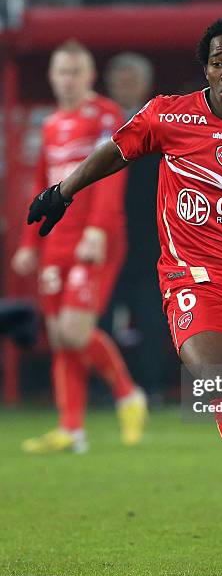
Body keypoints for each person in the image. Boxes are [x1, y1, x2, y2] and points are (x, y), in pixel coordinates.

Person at [26, 17, 222, 574]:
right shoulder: (166, 115)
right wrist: (64, 190)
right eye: (218, 61)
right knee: (216, 381)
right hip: (193, 280)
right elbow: (117, 150)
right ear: (206, 67)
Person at [12, 40, 148, 453]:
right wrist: (29, 240)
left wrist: (99, 229)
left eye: (75, 72)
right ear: (52, 76)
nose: (67, 80)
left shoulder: (105, 114)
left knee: (75, 330)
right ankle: (72, 429)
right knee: (58, 336)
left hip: (95, 235)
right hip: (57, 238)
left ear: (90, 76)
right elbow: (41, 183)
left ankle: (128, 393)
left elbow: (111, 173)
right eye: (61, 72)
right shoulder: (51, 123)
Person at [104, 54, 177, 396]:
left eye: (131, 78)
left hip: (149, 238)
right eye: (118, 78)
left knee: (150, 315)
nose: (124, 85)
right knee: (101, 315)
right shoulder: (98, 124)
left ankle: (151, 386)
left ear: (145, 84)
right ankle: (104, 388)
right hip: (103, 237)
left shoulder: (161, 125)